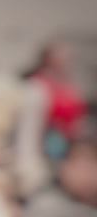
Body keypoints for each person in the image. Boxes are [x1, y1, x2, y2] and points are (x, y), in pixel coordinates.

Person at [16, 38, 90, 196]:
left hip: (69, 152)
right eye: (62, 54)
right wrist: (28, 168)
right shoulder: (36, 87)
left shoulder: (69, 84)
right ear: (48, 58)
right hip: (47, 154)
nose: (68, 58)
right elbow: (29, 133)